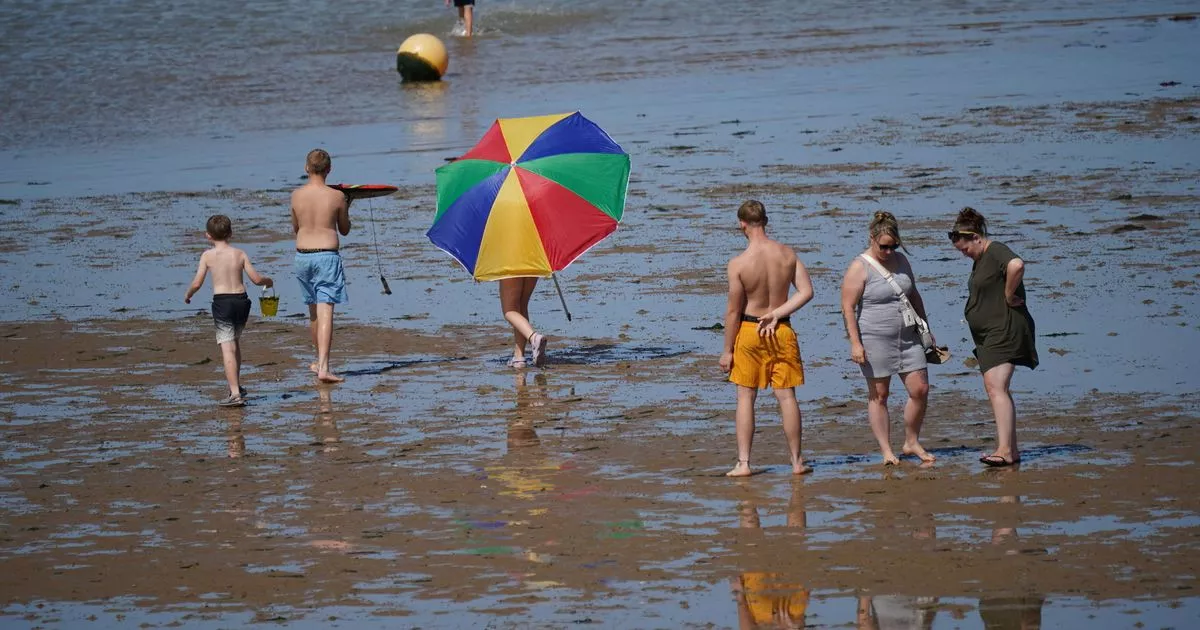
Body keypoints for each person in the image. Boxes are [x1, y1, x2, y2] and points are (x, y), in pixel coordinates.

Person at [719, 200, 815, 477]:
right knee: (787, 397)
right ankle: (797, 461)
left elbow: (733, 310)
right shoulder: (787, 254)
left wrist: (727, 350)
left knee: (745, 398)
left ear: (742, 224)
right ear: (766, 221)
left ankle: (744, 463)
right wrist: (778, 313)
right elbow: (806, 291)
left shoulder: (739, 263)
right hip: (781, 329)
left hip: (750, 331)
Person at [840, 211, 935, 466]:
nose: (890, 252)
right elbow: (848, 307)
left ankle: (911, 441)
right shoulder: (859, 267)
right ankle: (886, 451)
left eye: (894, 246)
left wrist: (925, 330)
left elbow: (914, 296)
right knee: (879, 394)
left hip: (908, 337)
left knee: (920, 389)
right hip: (874, 339)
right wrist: (855, 343)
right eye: (884, 247)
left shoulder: (902, 261)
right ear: (872, 239)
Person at [950, 207, 1039, 467]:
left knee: (996, 387)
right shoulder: (981, 259)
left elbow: (1017, 264)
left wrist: (1010, 295)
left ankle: (1005, 450)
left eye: (965, 249)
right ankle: (1010, 449)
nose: (964, 254)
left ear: (976, 237)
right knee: (996, 388)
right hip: (990, 334)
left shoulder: (995, 249)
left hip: (1006, 329)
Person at [184, 214, 273, 407]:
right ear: (231, 233)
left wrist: (188, 294)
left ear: (207, 235)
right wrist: (269, 281)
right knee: (235, 343)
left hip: (222, 302)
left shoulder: (207, 256)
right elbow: (256, 280)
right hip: (242, 301)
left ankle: (234, 394)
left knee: (227, 347)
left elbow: (198, 282)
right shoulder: (239, 253)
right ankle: (237, 386)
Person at [292, 148, 351, 384]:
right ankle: (324, 367)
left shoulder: (296, 195)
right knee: (326, 311)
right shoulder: (337, 197)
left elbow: (296, 228)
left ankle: (318, 361)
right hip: (326, 256)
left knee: (314, 313)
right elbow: (344, 229)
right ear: (329, 170)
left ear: (306, 168)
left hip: (303, 256)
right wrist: (347, 205)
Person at [499, 277, 548, 368]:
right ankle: (519, 356)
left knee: (509, 310)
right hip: (532, 264)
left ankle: (533, 337)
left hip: (510, 265)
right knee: (522, 304)